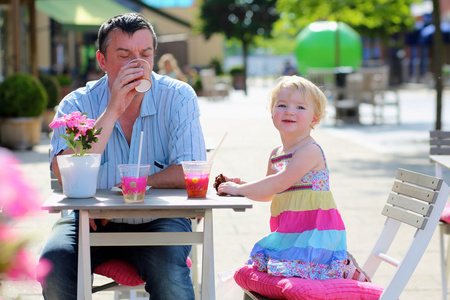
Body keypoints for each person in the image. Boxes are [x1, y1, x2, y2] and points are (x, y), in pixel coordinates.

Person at [39, 13, 205, 299]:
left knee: (169, 272)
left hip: (159, 218)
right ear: (102, 60)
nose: (137, 63)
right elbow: (65, 173)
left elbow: (188, 171)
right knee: (54, 263)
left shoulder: (178, 96)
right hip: (91, 219)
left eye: (145, 54)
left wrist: (133, 186)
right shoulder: (78, 103)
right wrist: (112, 110)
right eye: (124, 54)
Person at [218, 75, 363, 281]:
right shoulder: (276, 154)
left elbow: (280, 182)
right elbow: (269, 193)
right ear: (272, 113)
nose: (289, 111)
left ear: (314, 119)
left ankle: (346, 270)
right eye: (282, 105)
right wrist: (244, 186)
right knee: (258, 267)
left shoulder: (309, 150)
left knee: (275, 271)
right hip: (290, 234)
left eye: (300, 107)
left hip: (315, 238)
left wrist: (239, 190)